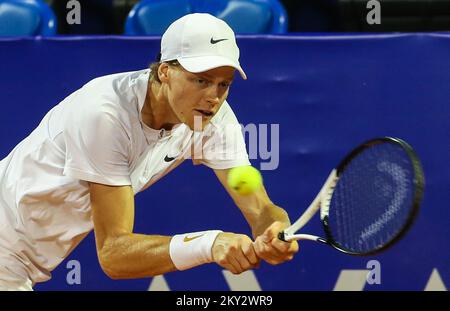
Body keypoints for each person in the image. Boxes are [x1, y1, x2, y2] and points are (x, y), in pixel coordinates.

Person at [0, 13, 298, 291]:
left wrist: (276, 231)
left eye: (224, 84)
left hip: (22, 263)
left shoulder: (212, 119)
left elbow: (260, 208)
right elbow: (114, 254)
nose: (214, 97)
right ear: (165, 71)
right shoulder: (105, 114)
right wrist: (209, 244)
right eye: (201, 80)